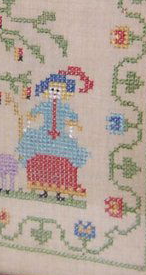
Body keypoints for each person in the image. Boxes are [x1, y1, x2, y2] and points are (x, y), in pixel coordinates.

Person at [17, 68, 92, 199]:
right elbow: (34, 112)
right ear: (47, 91)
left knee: (66, 157)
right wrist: (29, 119)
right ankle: (43, 188)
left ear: (63, 93)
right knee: (37, 154)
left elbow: (73, 117)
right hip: (44, 135)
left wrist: (73, 126)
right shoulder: (45, 105)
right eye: (52, 89)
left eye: (58, 90)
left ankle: (60, 190)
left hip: (60, 137)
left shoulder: (64, 107)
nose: (54, 93)